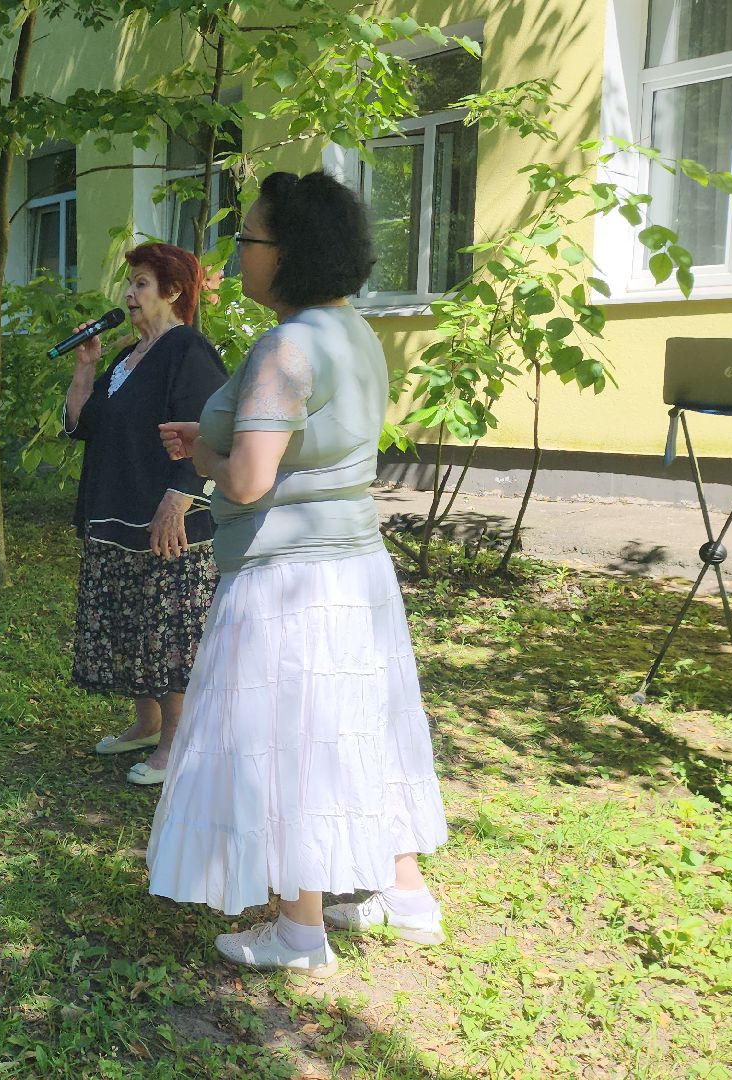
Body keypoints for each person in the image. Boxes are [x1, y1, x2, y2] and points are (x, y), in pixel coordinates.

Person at [149, 172, 449, 978]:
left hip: (290, 577)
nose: (238, 253)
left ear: (290, 253)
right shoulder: (352, 332)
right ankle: (403, 892)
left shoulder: (286, 347)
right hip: (354, 565)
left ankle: (298, 927)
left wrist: (203, 456)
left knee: (291, 737)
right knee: (358, 723)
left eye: (248, 239)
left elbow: (247, 480)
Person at [64, 241, 227, 787]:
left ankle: (176, 743)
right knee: (132, 627)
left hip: (165, 520)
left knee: (166, 633)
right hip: (117, 512)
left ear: (174, 291)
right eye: (129, 283)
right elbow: (86, 427)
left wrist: (180, 498)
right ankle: (145, 723)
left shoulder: (188, 351)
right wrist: (85, 369)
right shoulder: (123, 358)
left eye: (140, 284)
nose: (129, 294)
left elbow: (211, 433)